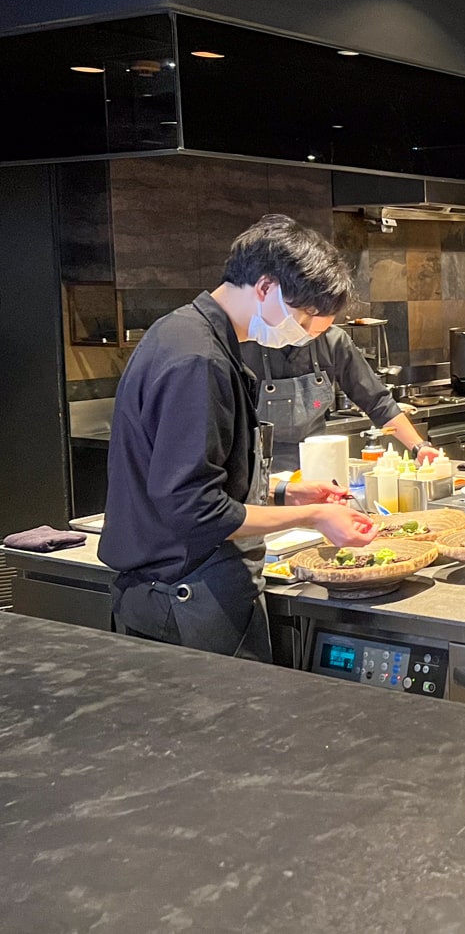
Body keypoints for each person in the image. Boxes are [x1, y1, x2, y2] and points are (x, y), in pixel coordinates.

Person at [100, 215, 376, 661]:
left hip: (177, 591)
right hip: (186, 598)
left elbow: (194, 477)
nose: (304, 335)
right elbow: (195, 510)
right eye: (304, 317)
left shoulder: (181, 331)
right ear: (265, 288)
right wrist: (316, 517)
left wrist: (286, 492)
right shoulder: (199, 360)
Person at [241, 325, 436, 470]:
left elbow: (377, 401)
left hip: (318, 465)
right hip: (256, 466)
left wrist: (419, 446)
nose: (312, 324)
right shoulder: (245, 340)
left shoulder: (333, 340)